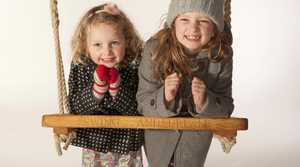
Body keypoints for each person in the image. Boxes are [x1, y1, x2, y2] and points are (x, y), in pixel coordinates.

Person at [136, 0, 234, 166]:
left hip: (195, 140)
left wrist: (205, 101)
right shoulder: (154, 49)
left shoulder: (221, 55)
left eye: (203, 21)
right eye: (184, 20)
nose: (193, 28)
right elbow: (142, 103)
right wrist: (165, 97)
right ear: (173, 23)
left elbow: (226, 106)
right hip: (159, 135)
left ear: (215, 29)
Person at [68, 3, 144, 167]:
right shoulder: (81, 67)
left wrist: (117, 88)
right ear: (86, 47)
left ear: (126, 41)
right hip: (94, 141)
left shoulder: (133, 66)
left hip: (127, 142)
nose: (107, 52)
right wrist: (96, 91)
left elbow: (140, 109)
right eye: (97, 45)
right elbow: (74, 108)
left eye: (114, 43)